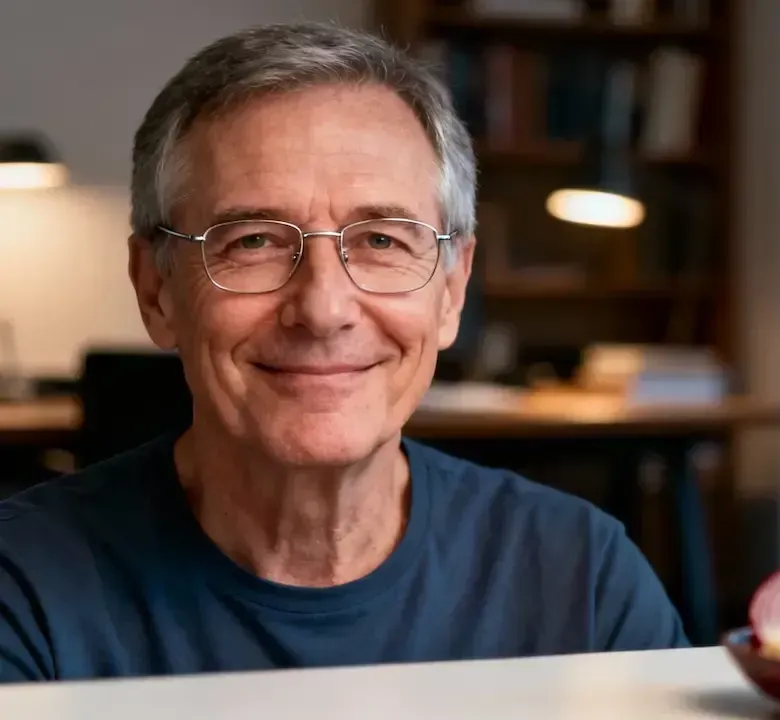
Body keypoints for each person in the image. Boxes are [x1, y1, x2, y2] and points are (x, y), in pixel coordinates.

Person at [0, 22, 687, 683]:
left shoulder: (582, 578)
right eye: (254, 242)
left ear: (451, 291)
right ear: (156, 291)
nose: (324, 309)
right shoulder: (23, 583)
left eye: (383, 240)